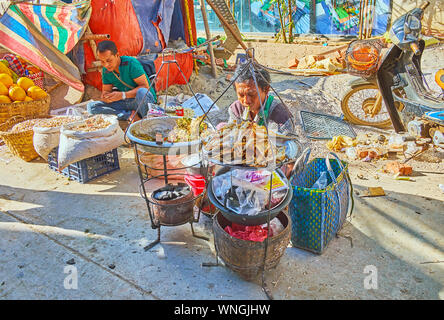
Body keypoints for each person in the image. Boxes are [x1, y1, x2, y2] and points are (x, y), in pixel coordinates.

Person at [87, 40, 157, 121]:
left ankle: (147, 120)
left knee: (142, 92)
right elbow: (106, 91)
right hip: (126, 102)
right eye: (102, 61)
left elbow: (145, 87)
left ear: (117, 55)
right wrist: (106, 97)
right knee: (91, 107)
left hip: (141, 100)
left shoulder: (131, 63)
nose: (106, 65)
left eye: (109, 60)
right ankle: (129, 115)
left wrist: (123, 95)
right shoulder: (105, 71)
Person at [217, 62, 295, 134]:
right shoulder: (236, 109)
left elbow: (288, 144)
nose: (246, 101)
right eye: (241, 95)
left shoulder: (280, 115)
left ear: (266, 89)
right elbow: (232, 135)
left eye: (251, 94)